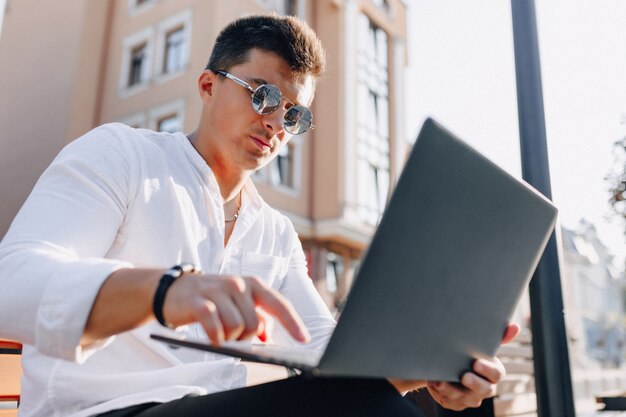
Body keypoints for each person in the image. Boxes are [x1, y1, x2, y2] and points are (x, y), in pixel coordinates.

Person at [0, 14, 519, 417]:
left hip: (207, 409)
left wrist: (431, 365)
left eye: (295, 115)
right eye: (264, 96)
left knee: (414, 405)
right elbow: (12, 281)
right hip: (97, 410)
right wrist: (164, 290)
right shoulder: (122, 155)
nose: (277, 123)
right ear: (208, 86)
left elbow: (325, 352)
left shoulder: (274, 232)